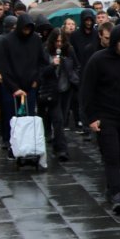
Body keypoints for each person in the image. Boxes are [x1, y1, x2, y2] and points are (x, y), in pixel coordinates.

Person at [80, 25, 120, 215]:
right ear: (116, 42)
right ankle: (116, 194)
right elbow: (87, 90)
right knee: (112, 154)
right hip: (105, 116)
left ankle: (111, 185)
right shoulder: (98, 60)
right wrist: (91, 118)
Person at [0, 14, 48, 157]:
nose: (27, 31)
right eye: (24, 28)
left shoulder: (35, 40)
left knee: (28, 117)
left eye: (29, 29)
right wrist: (14, 88)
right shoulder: (7, 41)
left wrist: (37, 80)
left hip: (30, 85)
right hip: (11, 87)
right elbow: (3, 67)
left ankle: (26, 144)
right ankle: (9, 142)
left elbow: (42, 62)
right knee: (10, 116)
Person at [38, 28, 79, 162]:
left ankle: (57, 144)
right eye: (57, 41)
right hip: (52, 90)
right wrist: (52, 65)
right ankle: (62, 149)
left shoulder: (69, 50)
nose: (59, 44)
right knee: (58, 119)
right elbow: (42, 71)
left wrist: (74, 78)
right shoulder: (46, 51)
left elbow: (76, 66)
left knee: (62, 118)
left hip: (66, 88)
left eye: (61, 41)